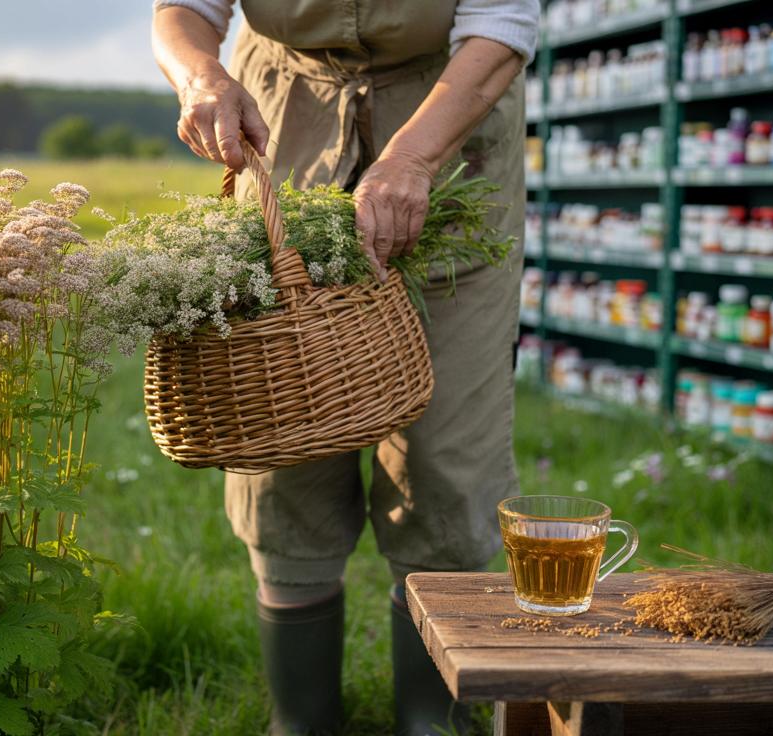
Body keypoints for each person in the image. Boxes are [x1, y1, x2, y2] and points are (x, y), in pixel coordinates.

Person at [151, 1, 537, 734]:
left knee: (447, 444)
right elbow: (181, 10)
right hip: (286, 116)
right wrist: (201, 77)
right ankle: (301, 718)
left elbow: (502, 27)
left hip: (452, 121)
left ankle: (433, 719)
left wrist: (412, 158)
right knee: (282, 415)